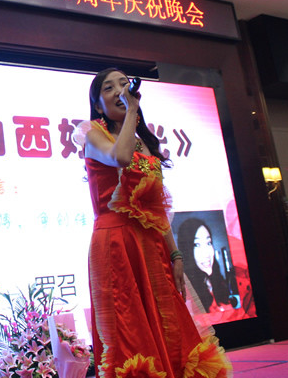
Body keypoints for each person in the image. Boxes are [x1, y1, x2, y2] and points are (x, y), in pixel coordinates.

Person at [82, 68, 231, 378]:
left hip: (151, 245)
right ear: (98, 105)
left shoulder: (144, 143)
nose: (119, 91)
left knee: (170, 324)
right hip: (117, 244)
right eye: (109, 88)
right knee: (131, 328)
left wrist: (175, 254)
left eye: (124, 84)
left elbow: (156, 208)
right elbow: (120, 158)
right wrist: (132, 111)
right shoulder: (91, 133)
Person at [177, 218, 233, 313]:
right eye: (197, 245)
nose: (207, 253)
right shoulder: (187, 292)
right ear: (187, 251)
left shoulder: (218, 282)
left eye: (208, 243)